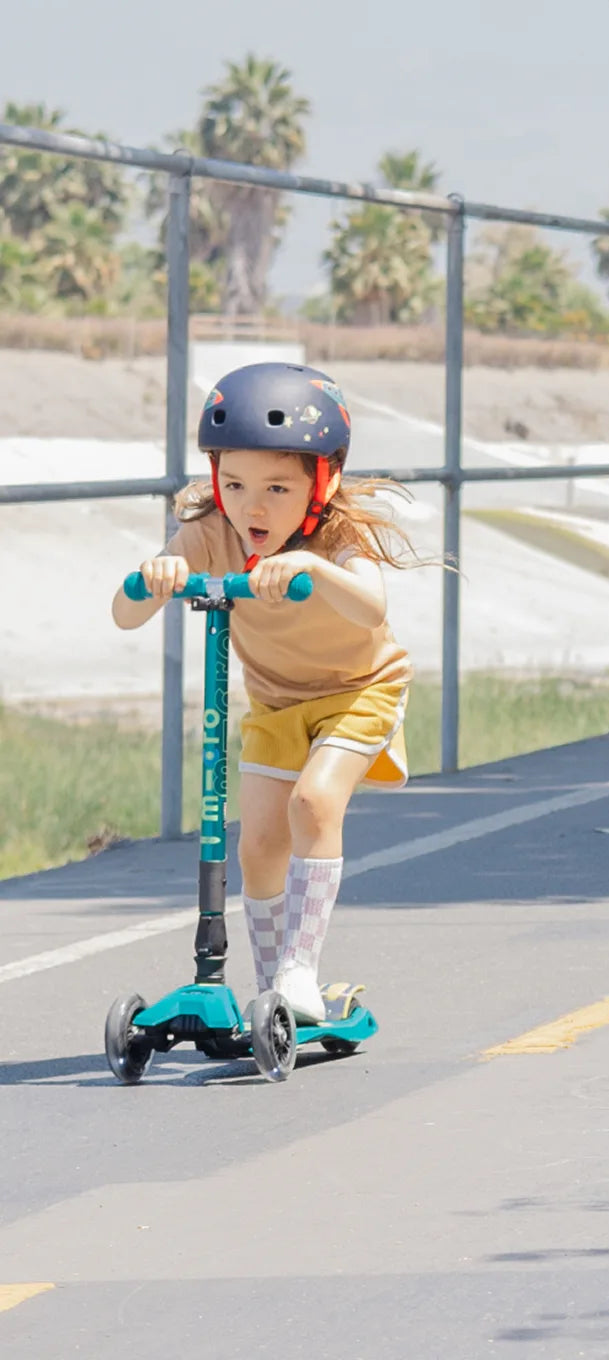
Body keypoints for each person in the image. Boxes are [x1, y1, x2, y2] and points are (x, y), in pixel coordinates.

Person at [112, 362, 419, 1021]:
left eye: (278, 487)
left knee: (313, 803)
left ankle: (300, 974)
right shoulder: (210, 535)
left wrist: (312, 566)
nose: (253, 507)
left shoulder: (338, 536)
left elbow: (371, 605)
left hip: (359, 692)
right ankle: (271, 991)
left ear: (322, 482)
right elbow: (125, 613)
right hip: (277, 704)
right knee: (256, 847)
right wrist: (157, 575)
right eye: (235, 484)